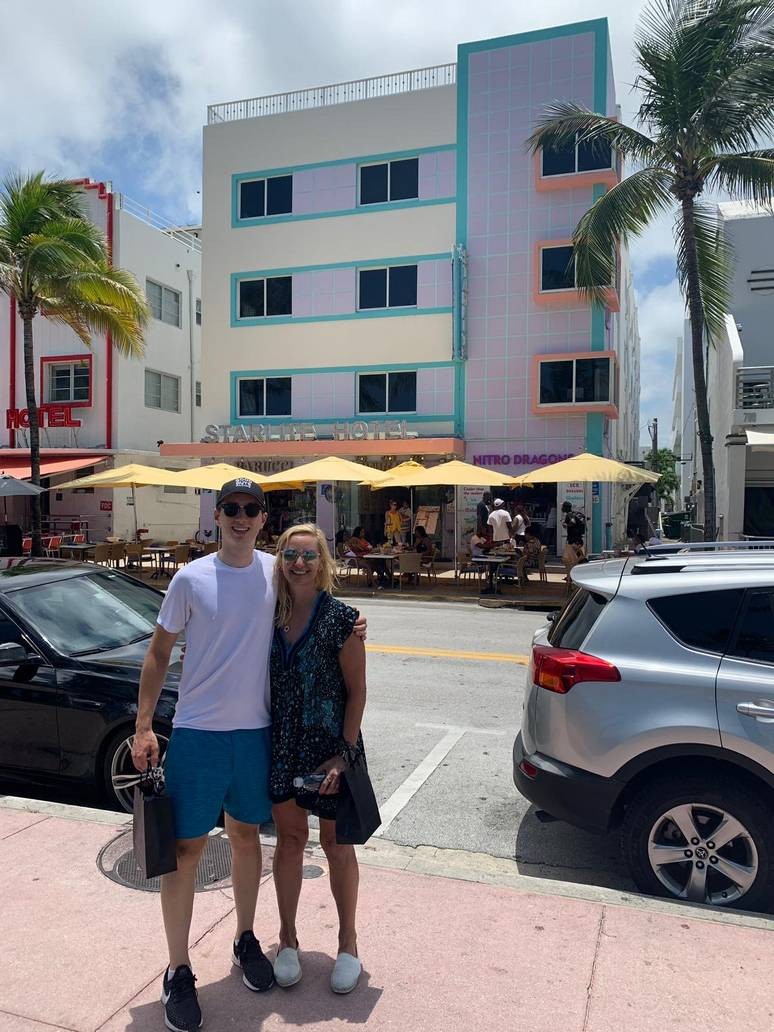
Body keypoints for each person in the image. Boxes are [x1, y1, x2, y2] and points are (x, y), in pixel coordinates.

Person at [132, 479, 365, 1031]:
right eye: (232, 509)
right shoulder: (189, 578)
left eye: (251, 509)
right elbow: (159, 653)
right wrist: (144, 725)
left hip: (257, 735)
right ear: (217, 516)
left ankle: (244, 939)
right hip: (198, 734)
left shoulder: (275, 573)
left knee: (244, 838)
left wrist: (353, 622)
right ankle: (178, 969)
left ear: (264, 518)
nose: (241, 517)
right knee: (186, 853)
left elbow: (318, 607)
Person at [269, 524, 367, 996]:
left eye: (308, 555)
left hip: (331, 749)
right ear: (280, 560)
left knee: (335, 844)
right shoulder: (268, 614)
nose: (299, 563)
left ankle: (348, 942)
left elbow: (358, 691)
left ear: (324, 562)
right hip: (283, 744)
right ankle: (287, 938)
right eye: (290, 554)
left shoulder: (342, 619)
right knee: (289, 840)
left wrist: (343, 757)